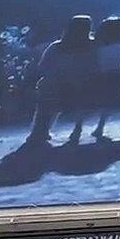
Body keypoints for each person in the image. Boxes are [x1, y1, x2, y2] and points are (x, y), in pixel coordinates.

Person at [28, 15, 96, 144]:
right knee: (78, 95)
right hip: (79, 86)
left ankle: (40, 130)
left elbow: (43, 66)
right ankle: (77, 129)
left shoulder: (57, 46)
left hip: (55, 85)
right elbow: (94, 66)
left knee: (46, 95)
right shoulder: (92, 46)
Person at [90, 17, 120, 140]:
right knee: (109, 101)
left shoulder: (95, 44)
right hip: (117, 76)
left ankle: (87, 127)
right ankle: (101, 126)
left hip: (97, 76)